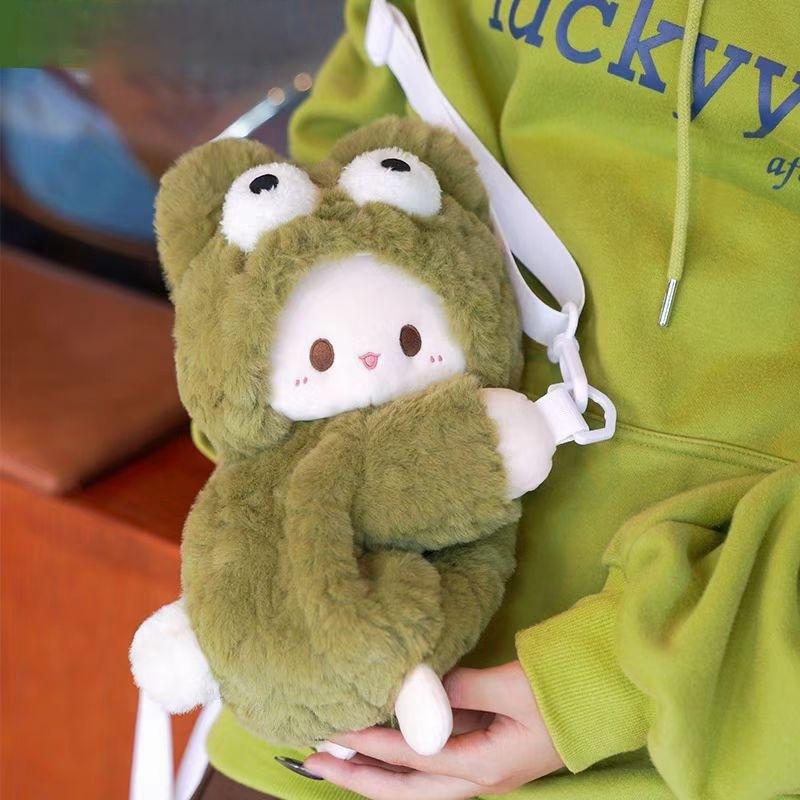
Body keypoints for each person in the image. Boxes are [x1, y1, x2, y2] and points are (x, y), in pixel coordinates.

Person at [193, 0, 800, 798]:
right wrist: (271, 465)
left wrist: (606, 682)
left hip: (698, 728)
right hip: (330, 673)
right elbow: (347, 147)